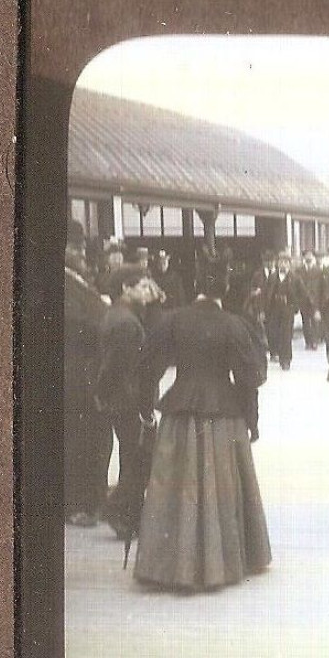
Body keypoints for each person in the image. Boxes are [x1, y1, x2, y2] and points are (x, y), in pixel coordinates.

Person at [133, 258, 271, 591]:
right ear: (224, 288)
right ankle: (219, 563)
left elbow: (147, 366)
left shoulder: (172, 320)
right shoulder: (234, 325)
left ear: (197, 286)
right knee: (220, 487)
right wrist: (251, 420)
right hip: (223, 415)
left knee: (174, 485)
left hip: (180, 411)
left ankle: (167, 565)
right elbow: (252, 377)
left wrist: (145, 408)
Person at [95, 267, 162, 541]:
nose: (149, 291)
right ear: (126, 288)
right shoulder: (127, 324)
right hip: (129, 400)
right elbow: (122, 368)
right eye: (143, 286)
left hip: (122, 398)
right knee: (138, 457)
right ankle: (119, 509)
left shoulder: (122, 316)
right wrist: (144, 409)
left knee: (132, 456)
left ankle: (128, 513)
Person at [64, 234, 113, 528]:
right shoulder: (65, 284)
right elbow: (74, 324)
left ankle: (92, 499)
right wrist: (105, 313)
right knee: (80, 440)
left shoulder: (80, 280)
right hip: (76, 377)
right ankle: (78, 503)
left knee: (94, 439)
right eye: (76, 248)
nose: (82, 253)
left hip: (87, 375)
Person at [261, 252, 303, 369]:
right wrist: (263, 310)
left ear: (290, 264)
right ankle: (278, 354)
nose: (283, 265)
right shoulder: (272, 277)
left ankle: (286, 360)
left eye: (285, 262)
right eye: (280, 262)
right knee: (275, 333)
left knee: (286, 334)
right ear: (277, 263)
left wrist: (296, 306)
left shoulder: (295, 278)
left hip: (287, 309)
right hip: (274, 308)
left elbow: (302, 293)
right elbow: (265, 293)